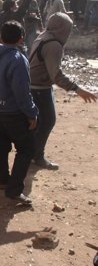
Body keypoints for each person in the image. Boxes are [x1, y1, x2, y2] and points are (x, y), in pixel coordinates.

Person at [28, 13, 97, 170]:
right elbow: (56, 75)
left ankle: (31, 153)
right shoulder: (54, 45)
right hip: (40, 89)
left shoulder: (43, 36)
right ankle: (36, 156)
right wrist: (78, 89)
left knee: (39, 123)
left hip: (37, 85)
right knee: (47, 122)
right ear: (62, 29)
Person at [0, 21, 39, 205]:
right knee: (26, 149)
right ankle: (14, 190)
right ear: (21, 39)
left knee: (2, 145)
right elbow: (22, 92)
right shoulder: (17, 59)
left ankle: (3, 180)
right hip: (13, 112)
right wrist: (32, 114)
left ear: (1, 36)